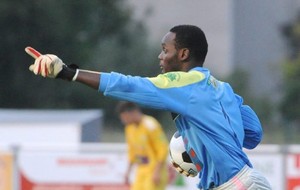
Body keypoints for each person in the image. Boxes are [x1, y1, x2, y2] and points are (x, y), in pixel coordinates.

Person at [25, 24, 272, 189]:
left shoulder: (182, 84)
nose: (160, 56)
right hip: (244, 181)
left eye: (165, 50)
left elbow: (130, 86)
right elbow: (253, 135)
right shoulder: (223, 89)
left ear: (183, 54)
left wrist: (69, 73)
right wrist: (200, 142)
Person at [115, 101, 169, 190]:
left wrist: (157, 171)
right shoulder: (129, 128)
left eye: (124, 117)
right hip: (141, 170)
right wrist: (128, 171)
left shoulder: (151, 125)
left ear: (132, 113)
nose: (123, 121)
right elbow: (132, 151)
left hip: (154, 170)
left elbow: (162, 149)